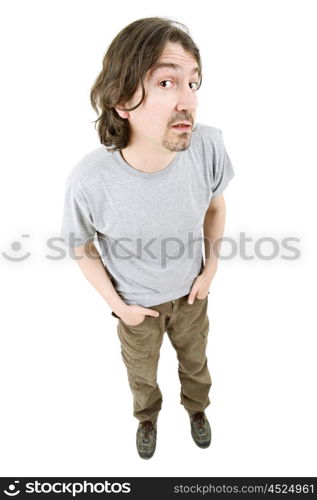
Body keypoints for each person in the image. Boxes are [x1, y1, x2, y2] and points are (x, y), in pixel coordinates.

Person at [60, 16, 235, 459]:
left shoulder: (208, 146)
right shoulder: (89, 180)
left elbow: (215, 205)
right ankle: (147, 420)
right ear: (122, 99)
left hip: (193, 295)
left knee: (196, 364)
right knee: (141, 373)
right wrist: (119, 307)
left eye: (193, 83)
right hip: (136, 306)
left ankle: (197, 411)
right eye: (166, 82)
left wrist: (209, 271)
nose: (188, 101)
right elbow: (81, 248)